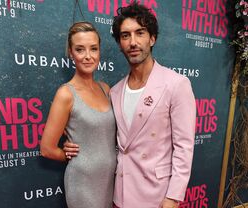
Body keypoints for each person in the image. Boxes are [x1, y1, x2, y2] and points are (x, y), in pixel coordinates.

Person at [64, 2, 196, 208]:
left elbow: (184, 147)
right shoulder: (114, 91)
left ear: (152, 38)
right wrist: (71, 147)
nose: (133, 42)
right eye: (125, 35)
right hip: (120, 194)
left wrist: (173, 196)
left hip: (157, 196)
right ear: (119, 43)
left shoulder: (176, 84)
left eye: (140, 33)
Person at [40, 21, 117, 208]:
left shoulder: (105, 89)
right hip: (82, 184)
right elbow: (47, 149)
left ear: (99, 52)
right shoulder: (66, 94)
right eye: (80, 49)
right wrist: (70, 155)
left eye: (94, 49)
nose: (88, 56)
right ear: (71, 53)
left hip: (109, 181)